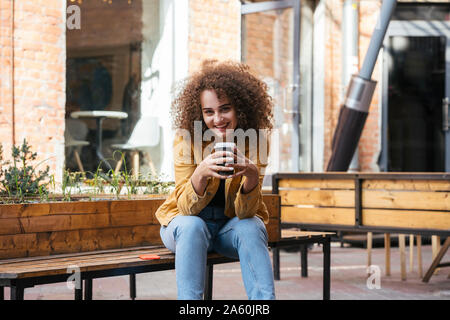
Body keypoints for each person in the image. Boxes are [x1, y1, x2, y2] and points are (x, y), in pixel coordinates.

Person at [155, 60, 275, 300]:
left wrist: (251, 174)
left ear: (240, 108)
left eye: (225, 109)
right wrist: (200, 173)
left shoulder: (256, 142)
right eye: (209, 112)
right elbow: (186, 209)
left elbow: (246, 213)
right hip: (184, 229)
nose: (217, 119)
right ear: (199, 113)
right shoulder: (186, 140)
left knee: (252, 226)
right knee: (192, 225)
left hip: (226, 231)